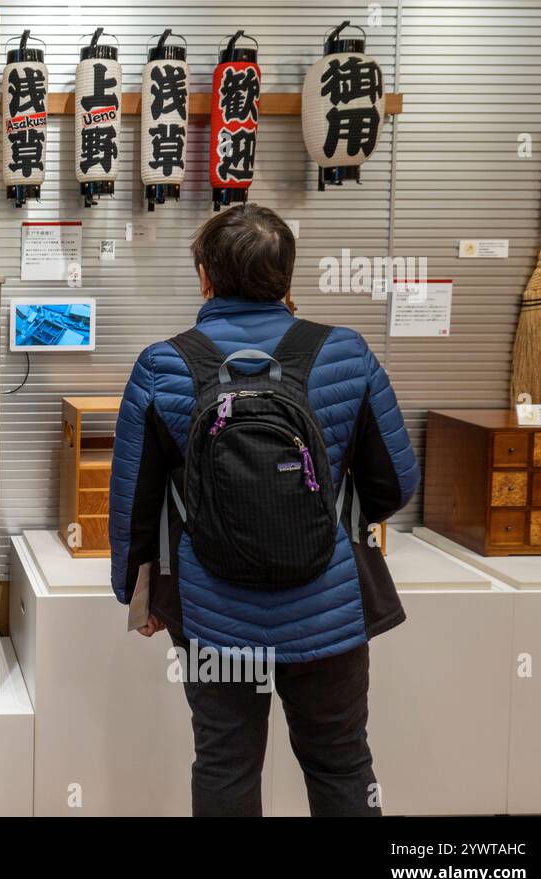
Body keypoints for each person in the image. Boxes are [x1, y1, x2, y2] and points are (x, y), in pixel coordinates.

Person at [108, 203, 419, 817]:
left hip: (211, 611)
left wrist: (135, 596)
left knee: (224, 763)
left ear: (205, 276)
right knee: (341, 762)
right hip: (329, 606)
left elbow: (133, 508)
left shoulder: (163, 364)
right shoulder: (346, 354)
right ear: (287, 277)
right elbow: (396, 483)